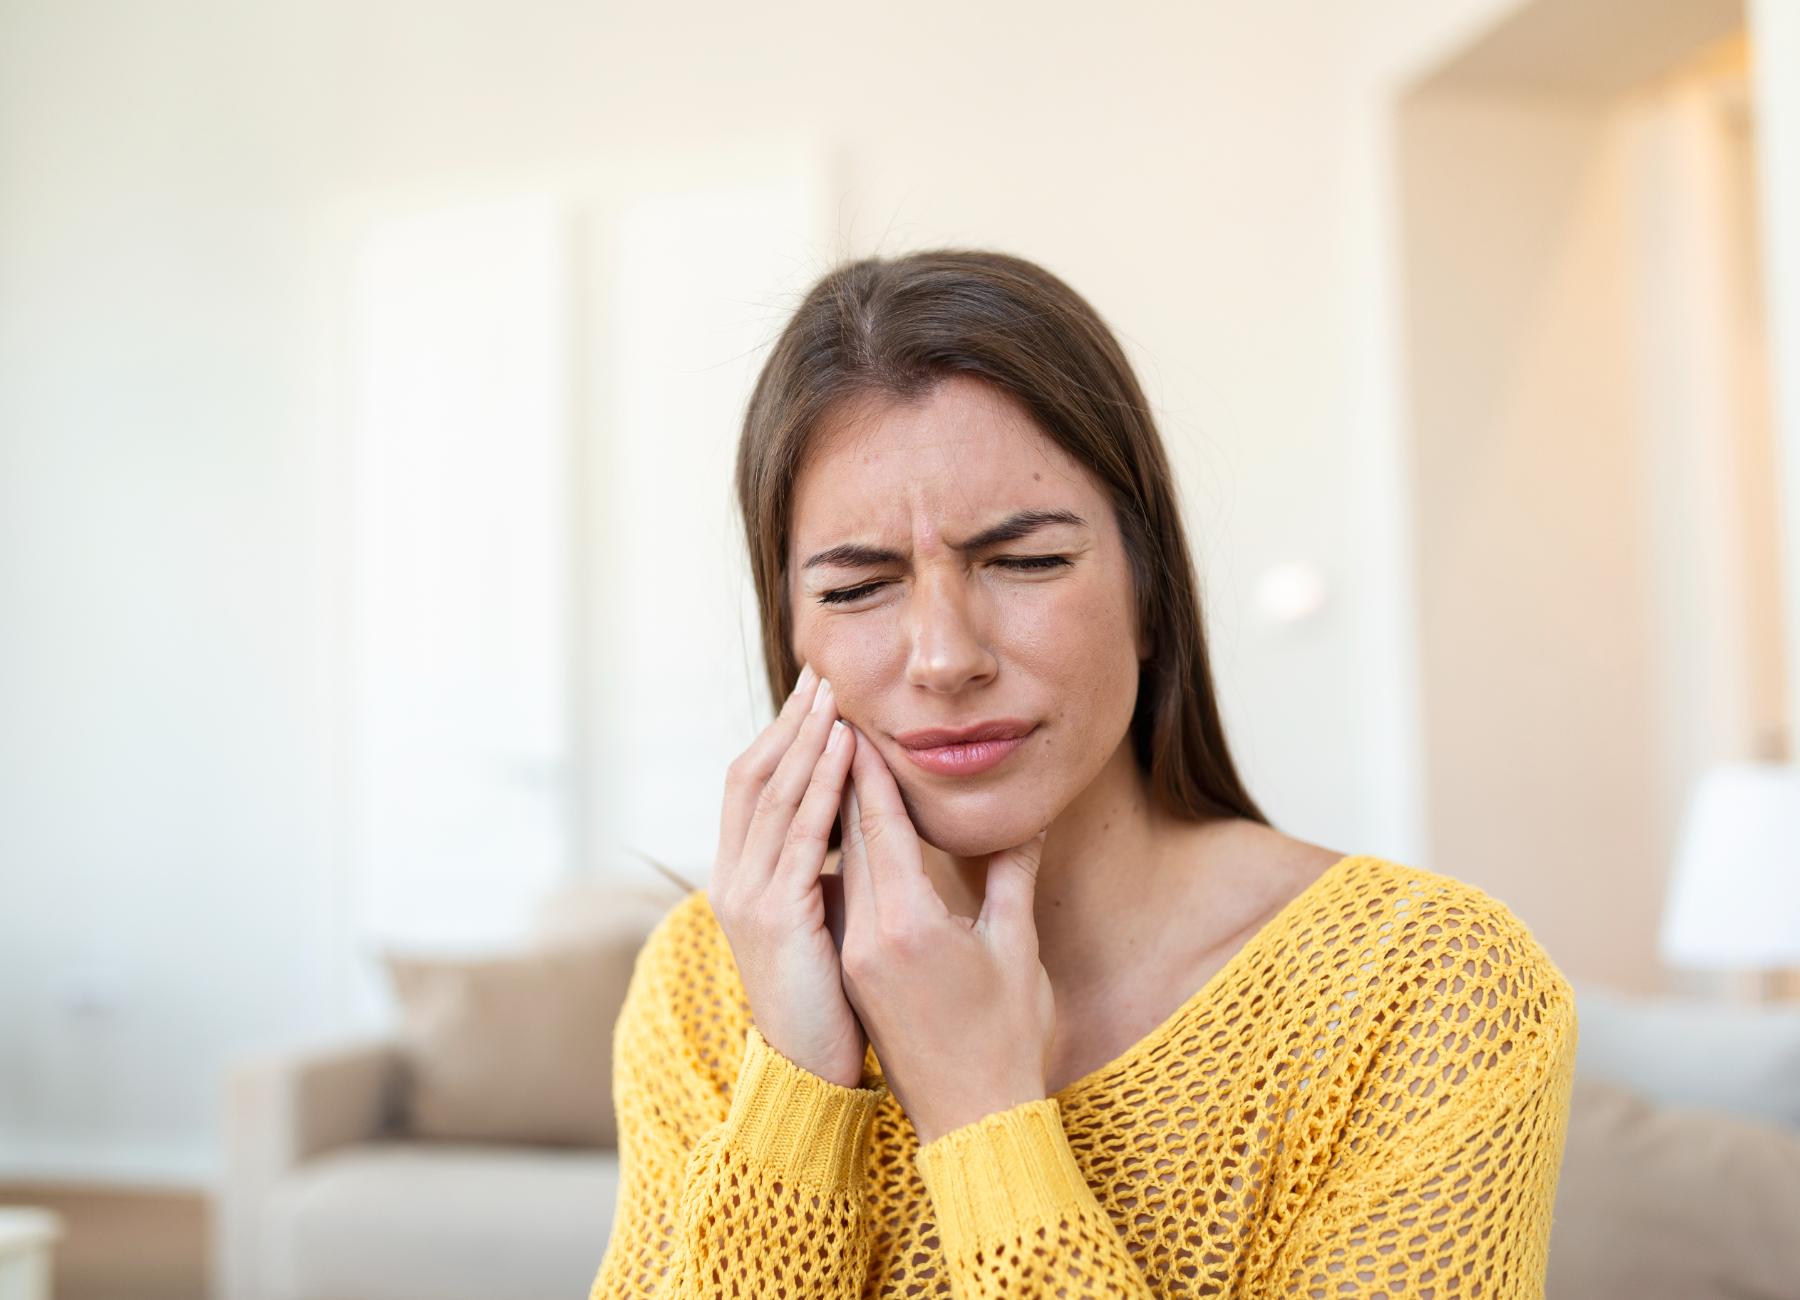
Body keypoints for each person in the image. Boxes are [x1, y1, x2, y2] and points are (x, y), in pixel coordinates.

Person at [588, 249, 1577, 1299]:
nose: (944, 655)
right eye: (861, 584)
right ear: (792, 639)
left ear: (1152, 593)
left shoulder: (1429, 987)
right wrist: (793, 1088)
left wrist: (982, 1114)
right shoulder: (707, 983)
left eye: (1026, 562)